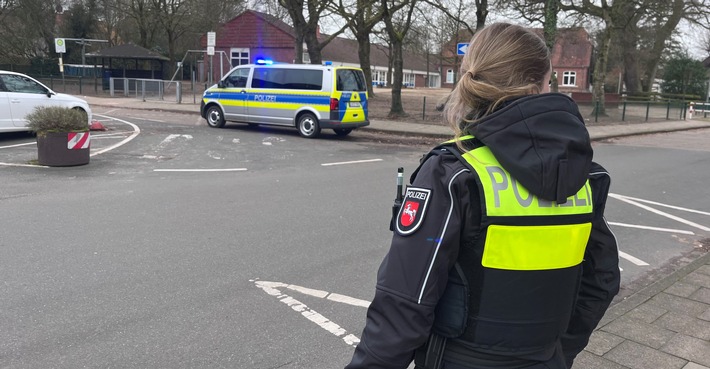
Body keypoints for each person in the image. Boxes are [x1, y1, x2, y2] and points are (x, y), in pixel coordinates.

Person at [345, 23, 620, 369]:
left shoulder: (454, 174)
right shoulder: (585, 175)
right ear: (542, 82)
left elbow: (404, 302)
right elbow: (602, 280)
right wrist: (557, 352)